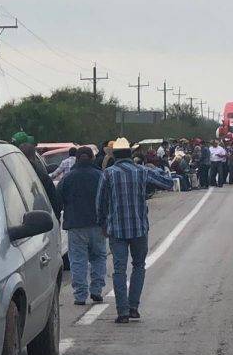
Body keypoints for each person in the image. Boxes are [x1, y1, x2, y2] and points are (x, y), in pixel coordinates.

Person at [97, 137, 175, 323]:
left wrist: (103, 225)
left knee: (119, 270)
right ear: (130, 154)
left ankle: (122, 312)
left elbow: (100, 203)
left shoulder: (108, 174)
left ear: (115, 155)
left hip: (116, 230)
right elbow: (168, 183)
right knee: (139, 266)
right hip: (139, 228)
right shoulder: (142, 171)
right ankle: (133, 307)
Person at [56, 147, 107, 305]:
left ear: (76, 159)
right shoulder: (101, 176)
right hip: (98, 224)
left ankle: (80, 295)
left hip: (75, 225)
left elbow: (58, 199)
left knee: (78, 260)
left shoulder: (68, 178)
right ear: (92, 158)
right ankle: (96, 290)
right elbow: (107, 199)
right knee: (98, 257)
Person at [19, 143, 62, 221]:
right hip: (43, 225)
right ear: (34, 157)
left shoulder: (10, 177)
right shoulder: (42, 177)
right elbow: (56, 205)